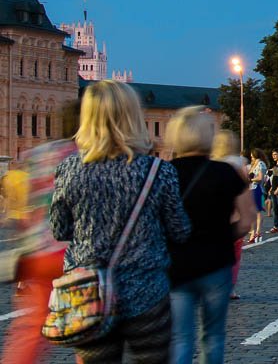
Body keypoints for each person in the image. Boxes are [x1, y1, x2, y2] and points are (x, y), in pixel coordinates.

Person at [49, 79, 192, 363]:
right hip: (146, 291)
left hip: (89, 294)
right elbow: (180, 231)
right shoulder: (158, 171)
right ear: (133, 117)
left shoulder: (68, 169)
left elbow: (59, 230)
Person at [168, 108, 254, 364]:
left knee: (181, 338)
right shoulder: (225, 172)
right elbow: (247, 219)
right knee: (214, 336)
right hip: (217, 262)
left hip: (176, 265)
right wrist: (226, 236)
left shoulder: (165, 172)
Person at [1, 100, 79, 364]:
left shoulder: (35, 156)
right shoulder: (85, 156)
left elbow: (23, 208)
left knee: (30, 328)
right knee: (89, 325)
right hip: (74, 256)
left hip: (39, 255)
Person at [210, 130, 248, 301]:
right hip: (234, 217)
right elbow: (244, 190)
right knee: (234, 255)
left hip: (213, 217)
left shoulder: (210, 164)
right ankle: (229, 287)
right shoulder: (239, 165)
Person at [246, 149, 267, 243]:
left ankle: (256, 232)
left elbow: (260, 178)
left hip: (256, 188)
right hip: (251, 188)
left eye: (252, 156)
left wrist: (251, 180)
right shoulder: (254, 164)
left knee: (257, 211)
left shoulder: (261, 164)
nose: (251, 157)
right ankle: (254, 232)